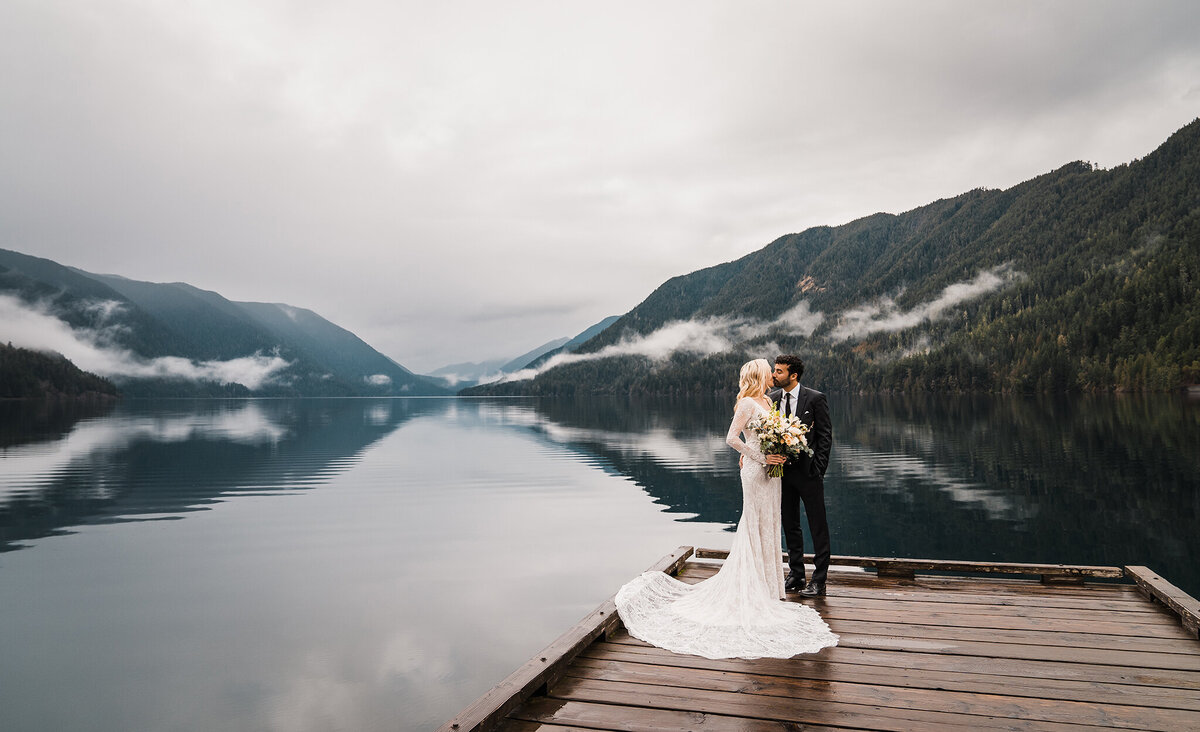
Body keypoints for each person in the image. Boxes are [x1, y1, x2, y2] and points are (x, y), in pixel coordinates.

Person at [613, 359, 837, 660]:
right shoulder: (754, 402)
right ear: (759, 376)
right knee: (768, 524)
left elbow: (817, 437)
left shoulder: (784, 400)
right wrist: (754, 456)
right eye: (769, 371)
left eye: (778, 371)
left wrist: (811, 468)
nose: (773, 374)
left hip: (789, 475)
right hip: (763, 473)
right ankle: (785, 579)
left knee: (776, 525)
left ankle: (800, 582)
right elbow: (734, 437)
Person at [767, 354, 834, 597]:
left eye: (779, 371)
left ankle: (819, 580)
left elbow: (825, 436)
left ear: (793, 375)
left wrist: (819, 468)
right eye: (774, 370)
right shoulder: (771, 399)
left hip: (809, 473)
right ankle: (796, 574)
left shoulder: (815, 399)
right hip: (781, 474)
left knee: (818, 525)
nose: (774, 375)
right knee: (790, 524)